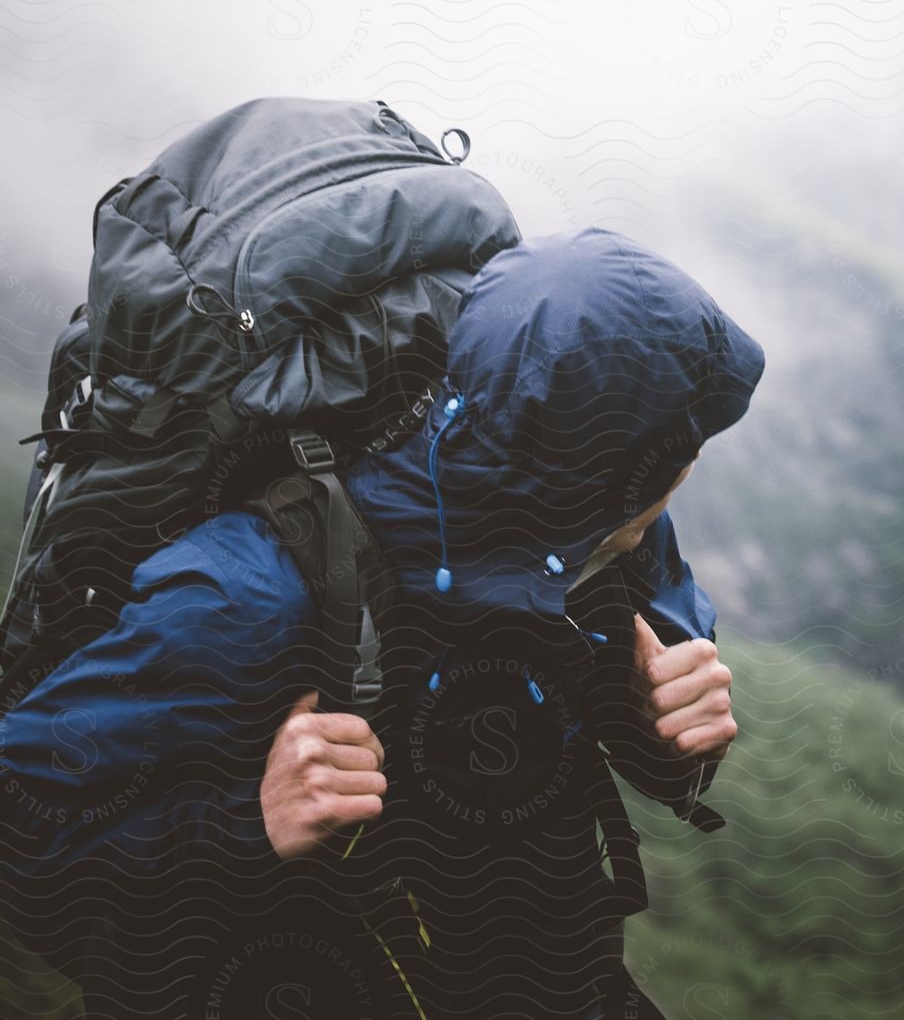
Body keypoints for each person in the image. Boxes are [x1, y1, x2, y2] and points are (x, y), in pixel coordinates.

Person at [0, 227, 765, 1018]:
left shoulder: (610, 541)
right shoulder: (250, 592)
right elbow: (22, 836)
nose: (685, 471)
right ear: (592, 470)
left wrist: (669, 733)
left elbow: (643, 705)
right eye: (679, 445)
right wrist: (244, 825)